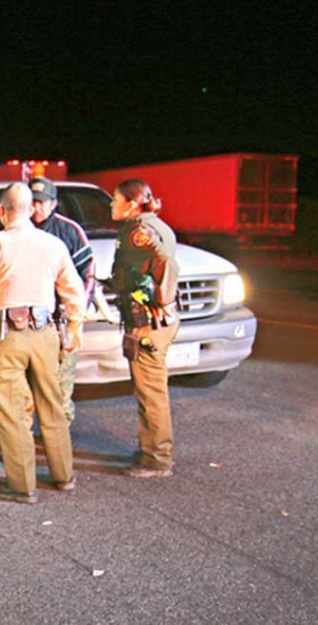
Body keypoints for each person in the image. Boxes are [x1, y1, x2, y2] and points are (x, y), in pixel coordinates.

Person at [0, 183, 86, 504]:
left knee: (12, 412)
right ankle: (63, 476)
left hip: (5, 338)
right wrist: (75, 326)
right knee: (52, 405)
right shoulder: (53, 244)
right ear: (30, 210)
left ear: (2, 211)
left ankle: (22, 485)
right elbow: (73, 289)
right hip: (46, 336)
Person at [110, 178, 180, 478]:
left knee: (151, 393)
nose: (112, 204)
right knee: (151, 390)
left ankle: (157, 459)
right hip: (156, 320)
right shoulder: (156, 225)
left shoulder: (138, 233)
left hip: (147, 323)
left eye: (116, 199)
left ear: (132, 203)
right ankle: (151, 447)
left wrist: (156, 297)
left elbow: (159, 265)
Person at [28, 177, 95, 424]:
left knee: (61, 384)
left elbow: (87, 273)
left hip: (60, 323)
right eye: (33, 202)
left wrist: (77, 315)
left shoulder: (69, 231)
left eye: (43, 203)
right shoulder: (16, 230)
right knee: (25, 386)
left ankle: (60, 435)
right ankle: (22, 440)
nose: (38, 208)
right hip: (26, 323)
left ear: (54, 203)